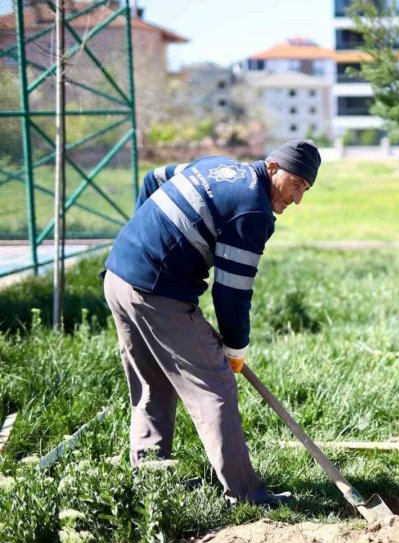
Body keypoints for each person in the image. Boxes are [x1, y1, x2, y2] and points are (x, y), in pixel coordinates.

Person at [103, 139, 321, 505]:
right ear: (272, 167)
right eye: (296, 184)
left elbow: (154, 178)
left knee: (153, 382)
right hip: (156, 292)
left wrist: (138, 242)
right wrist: (235, 349)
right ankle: (246, 494)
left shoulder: (216, 165)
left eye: (305, 190)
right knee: (215, 386)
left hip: (118, 276)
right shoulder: (252, 211)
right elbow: (232, 292)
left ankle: (151, 481)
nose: (297, 199)